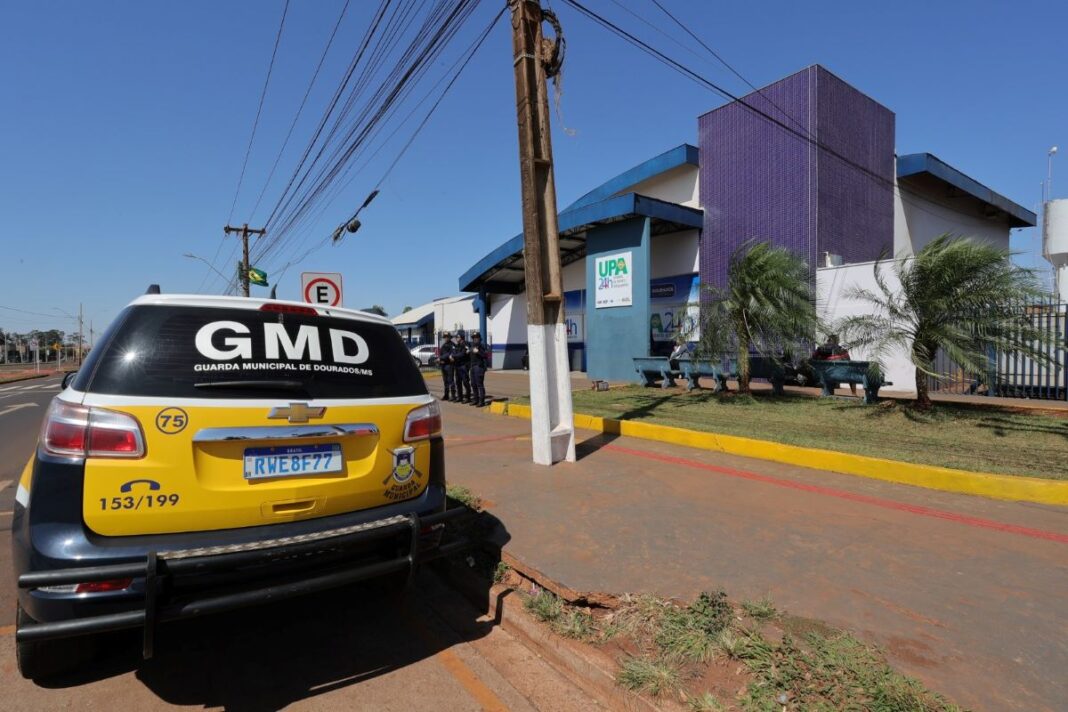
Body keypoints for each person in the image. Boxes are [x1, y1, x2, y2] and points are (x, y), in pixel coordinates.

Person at [468, 331, 490, 406]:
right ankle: (476, 399)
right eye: (474, 338)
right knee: (473, 384)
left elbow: (485, 355)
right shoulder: (472, 346)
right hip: (472, 366)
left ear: (479, 338)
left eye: (476, 338)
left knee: (479, 384)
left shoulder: (482, 346)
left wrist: (478, 352)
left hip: (479, 367)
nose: (475, 339)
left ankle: (481, 401)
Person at [453, 330, 471, 403]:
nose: (456, 338)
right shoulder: (457, 345)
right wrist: (453, 356)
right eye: (456, 337)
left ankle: (468, 397)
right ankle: (460, 397)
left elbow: (462, 354)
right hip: (457, 365)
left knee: (465, 382)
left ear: (461, 337)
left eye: (457, 337)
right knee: (458, 382)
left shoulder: (465, 344)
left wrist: (453, 356)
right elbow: (454, 352)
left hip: (464, 366)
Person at [439, 332, 455, 401]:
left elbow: (450, 354)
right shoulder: (443, 345)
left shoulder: (452, 345)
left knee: (450, 380)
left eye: (447, 337)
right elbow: (441, 354)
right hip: (443, 365)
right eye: (445, 337)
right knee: (445, 381)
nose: (446, 338)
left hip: (449, 365)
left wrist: (441, 358)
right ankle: (446, 395)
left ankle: (453, 396)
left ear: (450, 337)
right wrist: (440, 360)